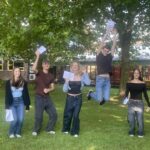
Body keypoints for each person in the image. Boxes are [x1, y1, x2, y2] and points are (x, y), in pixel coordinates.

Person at [87, 28, 117, 105]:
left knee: (106, 99)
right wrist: (107, 33)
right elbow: (101, 43)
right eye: (105, 50)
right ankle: (90, 93)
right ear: (102, 49)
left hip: (107, 80)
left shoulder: (110, 56)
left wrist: (114, 35)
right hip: (100, 79)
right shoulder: (98, 55)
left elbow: (114, 45)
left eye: (107, 51)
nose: (106, 52)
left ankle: (92, 94)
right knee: (99, 99)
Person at [32, 50, 57, 136]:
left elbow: (53, 87)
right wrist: (38, 56)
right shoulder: (39, 73)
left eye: (48, 64)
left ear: (49, 66)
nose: (46, 65)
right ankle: (36, 130)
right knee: (39, 117)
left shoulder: (51, 76)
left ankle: (49, 129)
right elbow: (33, 68)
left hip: (47, 98)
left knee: (54, 114)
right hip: (39, 98)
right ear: (42, 65)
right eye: (45, 63)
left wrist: (48, 90)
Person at [62, 62, 91, 137]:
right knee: (68, 114)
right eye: (73, 65)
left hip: (78, 98)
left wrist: (85, 73)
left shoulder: (82, 75)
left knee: (76, 115)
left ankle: (75, 131)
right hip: (69, 98)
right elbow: (64, 90)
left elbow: (88, 83)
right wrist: (66, 82)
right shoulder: (68, 75)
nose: (75, 66)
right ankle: (66, 129)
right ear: (71, 67)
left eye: (76, 65)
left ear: (78, 67)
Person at [5, 67, 30, 138]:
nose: (17, 73)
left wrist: (27, 105)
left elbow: (26, 93)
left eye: (18, 71)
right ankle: (11, 132)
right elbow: (7, 95)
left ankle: (18, 132)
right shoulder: (8, 82)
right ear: (13, 72)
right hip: (12, 102)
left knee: (21, 119)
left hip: (21, 102)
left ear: (20, 72)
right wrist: (6, 106)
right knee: (15, 119)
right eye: (16, 71)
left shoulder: (23, 82)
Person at [125, 68, 150, 138]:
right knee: (131, 119)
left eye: (137, 73)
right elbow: (126, 94)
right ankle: (131, 131)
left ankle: (140, 132)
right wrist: (125, 101)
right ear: (133, 74)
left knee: (140, 119)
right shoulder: (129, 83)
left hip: (140, 103)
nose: (136, 74)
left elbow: (145, 94)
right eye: (135, 73)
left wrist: (149, 104)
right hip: (131, 103)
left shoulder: (143, 84)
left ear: (139, 74)